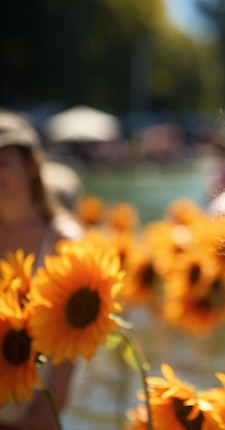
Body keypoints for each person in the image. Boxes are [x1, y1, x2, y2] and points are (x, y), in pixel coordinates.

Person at [0, 109, 83, 429]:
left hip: (34, 417)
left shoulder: (65, 242)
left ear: (32, 166)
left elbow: (61, 380)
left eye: (3, 162)